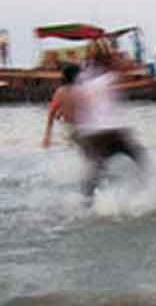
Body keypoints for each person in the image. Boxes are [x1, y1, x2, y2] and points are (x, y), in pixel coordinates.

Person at [74, 46, 147, 199]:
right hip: (109, 131)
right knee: (139, 156)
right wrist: (117, 58)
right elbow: (126, 68)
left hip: (90, 133)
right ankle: (143, 191)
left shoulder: (85, 81)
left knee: (97, 167)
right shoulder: (108, 79)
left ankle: (87, 199)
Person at [42, 65, 81, 148]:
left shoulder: (61, 91)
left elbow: (51, 113)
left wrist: (47, 135)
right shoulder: (82, 90)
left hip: (68, 127)